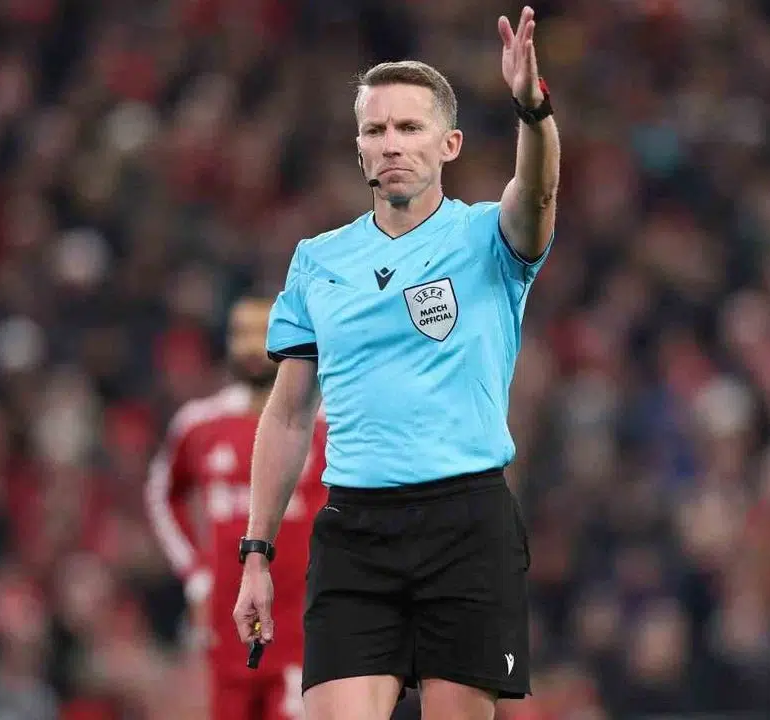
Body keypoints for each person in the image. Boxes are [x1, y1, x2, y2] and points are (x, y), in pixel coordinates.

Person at [232, 7, 561, 720]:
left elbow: (537, 191)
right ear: (358, 148)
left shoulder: (488, 238)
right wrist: (256, 551)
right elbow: (287, 415)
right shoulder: (318, 261)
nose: (391, 144)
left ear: (449, 144)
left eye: (409, 128)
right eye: (375, 130)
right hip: (355, 532)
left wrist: (532, 110)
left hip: (466, 525)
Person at [146, 295, 328, 720]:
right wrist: (196, 574)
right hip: (226, 626)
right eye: (240, 333)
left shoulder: (327, 424)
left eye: (262, 333)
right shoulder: (198, 424)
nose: (250, 347)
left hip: (301, 624)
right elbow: (162, 495)